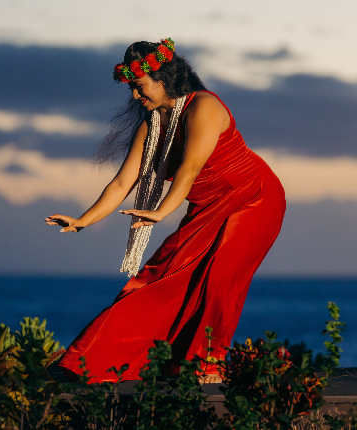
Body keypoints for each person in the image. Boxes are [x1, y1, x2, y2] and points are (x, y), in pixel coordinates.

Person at [45, 38, 286, 384]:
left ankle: (209, 366)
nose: (134, 96)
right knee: (158, 278)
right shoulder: (152, 126)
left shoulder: (204, 107)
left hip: (254, 199)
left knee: (219, 279)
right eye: (130, 88)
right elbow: (121, 183)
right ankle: (89, 363)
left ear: (164, 77)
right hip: (206, 207)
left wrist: (160, 211)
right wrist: (84, 219)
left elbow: (188, 169)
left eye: (139, 86)